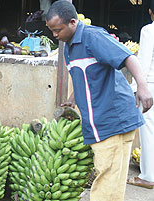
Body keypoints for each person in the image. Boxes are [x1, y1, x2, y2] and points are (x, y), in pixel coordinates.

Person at [45, 1, 153, 201]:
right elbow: (83, 76)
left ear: (72, 22)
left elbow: (129, 57)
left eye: (58, 30)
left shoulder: (93, 37)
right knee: (108, 177)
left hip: (114, 120)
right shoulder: (68, 47)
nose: (55, 35)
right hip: (97, 123)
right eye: (52, 31)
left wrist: (143, 87)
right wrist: (72, 99)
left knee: (107, 182)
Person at [128, 0, 154, 189]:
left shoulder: (149, 30)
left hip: (151, 86)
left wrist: (136, 87)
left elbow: (143, 61)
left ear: (151, 12)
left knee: (149, 131)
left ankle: (148, 176)